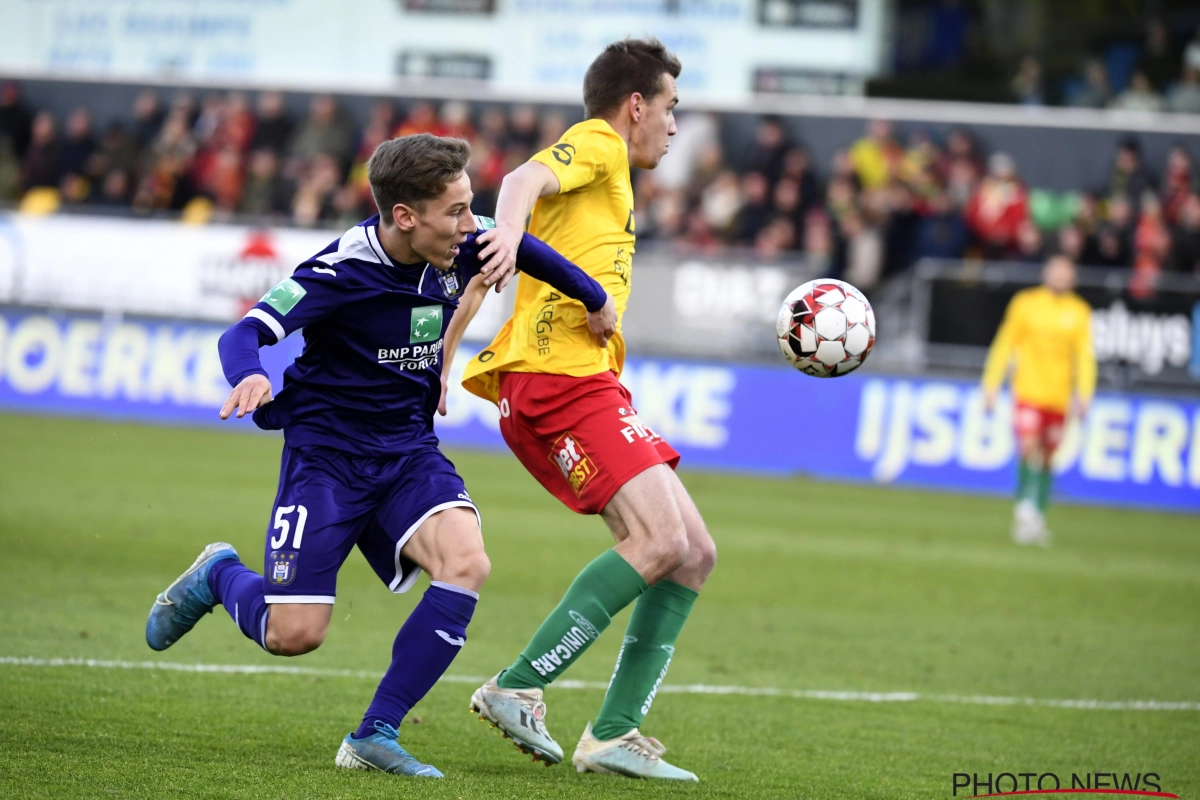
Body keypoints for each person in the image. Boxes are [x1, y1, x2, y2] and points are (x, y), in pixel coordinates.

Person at [144, 134, 612, 778]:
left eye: (470, 207)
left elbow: (524, 249)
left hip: (407, 452)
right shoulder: (338, 271)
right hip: (327, 461)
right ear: (404, 216)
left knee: (467, 561)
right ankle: (219, 574)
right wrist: (248, 374)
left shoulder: (460, 242)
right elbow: (246, 330)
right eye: (455, 211)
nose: (469, 225)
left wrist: (594, 298)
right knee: (294, 635)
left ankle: (375, 733)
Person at [450, 37, 717, 782]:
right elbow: (522, 177)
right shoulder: (598, 142)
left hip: (586, 380)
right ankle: (518, 685)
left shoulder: (617, 175)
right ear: (637, 105)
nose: (673, 123)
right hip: (560, 380)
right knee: (663, 540)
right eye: (670, 107)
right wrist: (507, 230)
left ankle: (614, 734)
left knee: (691, 553)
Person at [982, 255, 1096, 546]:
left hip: (1059, 397)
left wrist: (1085, 394)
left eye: (1065, 273)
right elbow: (1005, 342)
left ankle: (1038, 517)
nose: (1060, 278)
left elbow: (1084, 356)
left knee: (1047, 458)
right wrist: (991, 383)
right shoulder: (1026, 303)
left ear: (1073, 279)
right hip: (1028, 390)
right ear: (1046, 274)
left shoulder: (1079, 311)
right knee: (1028, 445)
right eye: (1055, 272)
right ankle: (1023, 510)